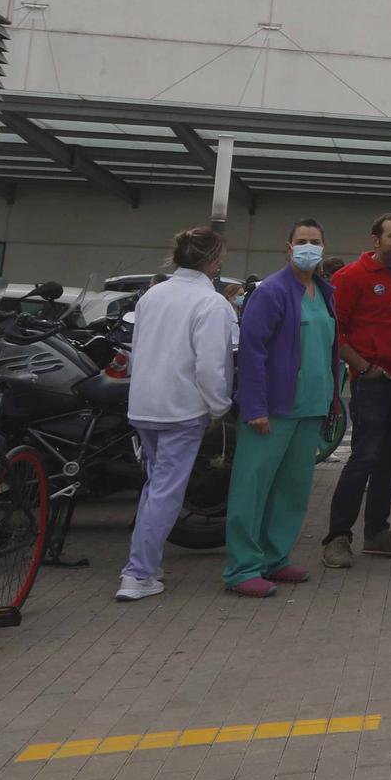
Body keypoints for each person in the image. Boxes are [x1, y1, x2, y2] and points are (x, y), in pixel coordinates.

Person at [223, 219, 342, 598]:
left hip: (310, 408)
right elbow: (253, 351)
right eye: (302, 241)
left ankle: (275, 558)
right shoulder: (272, 292)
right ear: (287, 247)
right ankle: (242, 568)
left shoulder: (325, 291)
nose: (309, 247)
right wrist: (253, 406)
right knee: (252, 489)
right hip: (271, 409)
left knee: (293, 489)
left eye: (316, 241)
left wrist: (331, 403)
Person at [118, 227, 236, 601]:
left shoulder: (152, 295)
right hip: (181, 410)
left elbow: (137, 349)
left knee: (154, 487)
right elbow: (210, 366)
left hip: (144, 406)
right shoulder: (212, 304)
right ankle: (138, 573)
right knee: (166, 492)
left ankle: (145, 566)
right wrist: (220, 406)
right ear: (213, 261)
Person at [322, 213, 391, 569]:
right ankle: (338, 536)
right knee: (364, 456)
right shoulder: (350, 277)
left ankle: (377, 533)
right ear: (375, 240)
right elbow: (336, 333)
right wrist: (365, 367)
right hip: (374, 381)